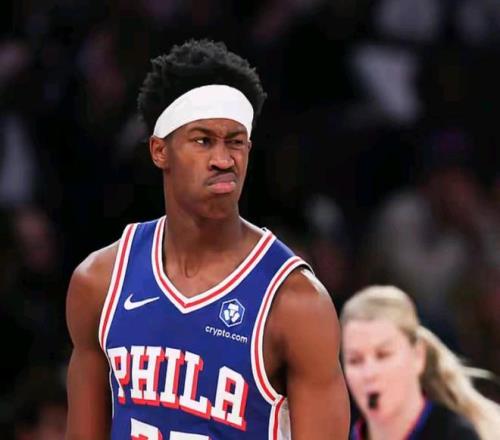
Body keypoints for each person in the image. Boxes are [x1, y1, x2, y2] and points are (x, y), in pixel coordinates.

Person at [65, 39, 350, 440]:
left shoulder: (295, 302)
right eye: (203, 141)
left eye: (235, 141)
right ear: (160, 151)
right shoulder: (100, 281)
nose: (223, 160)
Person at [341, 285, 500, 440]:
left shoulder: (457, 435)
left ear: (418, 355)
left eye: (383, 355)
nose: (369, 373)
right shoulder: (341, 434)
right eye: (355, 361)